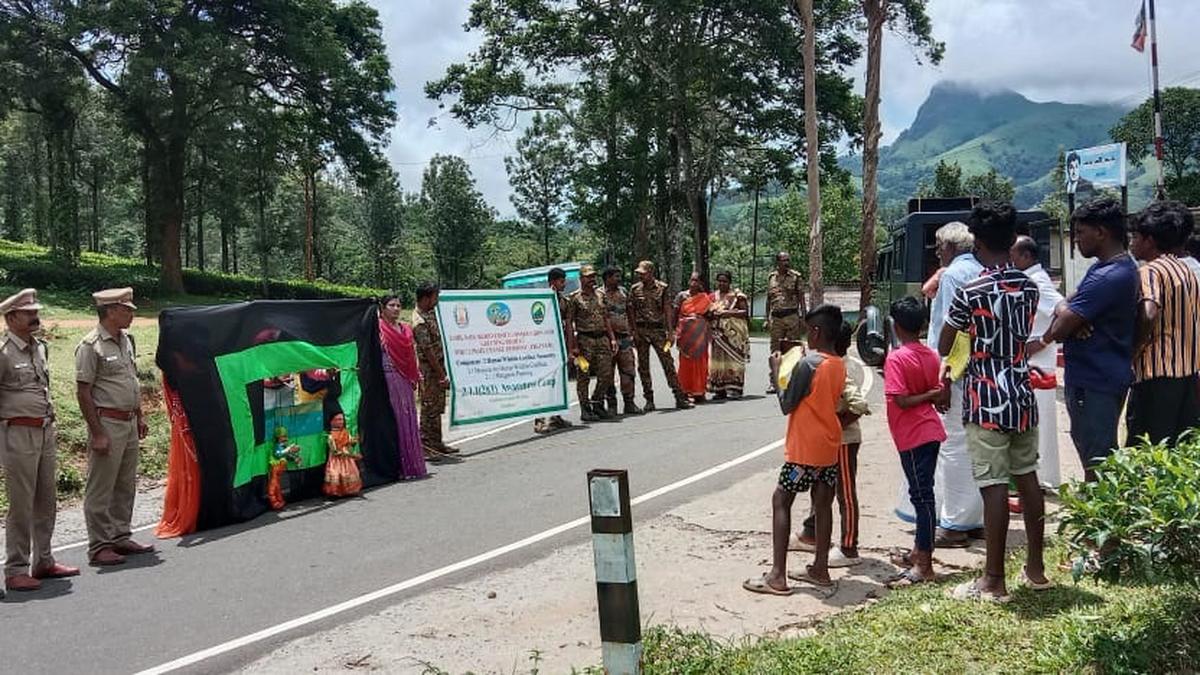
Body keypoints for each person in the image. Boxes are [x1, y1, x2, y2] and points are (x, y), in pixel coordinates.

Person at [939, 201, 1049, 602]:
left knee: (992, 486)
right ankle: (1035, 568)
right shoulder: (1030, 287)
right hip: (1021, 388)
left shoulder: (971, 290)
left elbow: (946, 341)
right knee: (1028, 477)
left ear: (978, 241)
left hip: (985, 393)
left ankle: (993, 579)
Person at [742, 304, 845, 595]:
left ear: (816, 331)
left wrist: (776, 373)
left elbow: (787, 403)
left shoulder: (809, 364)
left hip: (804, 447)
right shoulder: (838, 363)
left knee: (781, 500)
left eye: (808, 330)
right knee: (823, 504)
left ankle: (777, 575)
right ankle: (820, 568)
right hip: (828, 444)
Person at [1034, 198, 1138, 482]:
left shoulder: (1109, 276)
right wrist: (1071, 314)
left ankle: (1103, 520)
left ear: (1101, 232)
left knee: (1098, 460)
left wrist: (1070, 319)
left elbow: (1058, 329)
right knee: (1095, 452)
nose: (1076, 240)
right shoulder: (1105, 269)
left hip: (1096, 380)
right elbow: (1067, 306)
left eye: (1081, 233)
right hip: (1097, 376)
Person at [0, 289, 79, 592]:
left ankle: (43, 559)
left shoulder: (39, 347)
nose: (35, 317)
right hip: (17, 433)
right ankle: (16, 568)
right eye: (29, 313)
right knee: (21, 503)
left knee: (46, 498)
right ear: (11, 318)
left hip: (44, 431)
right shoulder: (4, 352)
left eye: (36, 312)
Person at [76, 287, 155, 567]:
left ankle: (120, 535)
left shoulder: (126, 340)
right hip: (107, 421)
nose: (131, 314)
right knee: (101, 486)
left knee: (125, 483)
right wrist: (97, 432)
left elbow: (130, 381)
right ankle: (99, 545)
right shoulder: (91, 345)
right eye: (126, 310)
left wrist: (140, 415)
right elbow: (83, 391)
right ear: (110, 311)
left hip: (128, 420)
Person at [921, 221, 984, 547]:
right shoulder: (981, 269)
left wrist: (943, 377)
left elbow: (951, 333)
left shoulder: (952, 277)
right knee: (976, 444)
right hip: (980, 372)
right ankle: (974, 518)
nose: (936, 251)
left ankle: (956, 523)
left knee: (954, 444)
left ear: (949, 246)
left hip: (956, 373)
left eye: (938, 245)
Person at [792, 321, 870, 568]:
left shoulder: (840, 368)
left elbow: (859, 405)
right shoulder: (828, 364)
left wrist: (835, 423)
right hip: (826, 440)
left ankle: (849, 547)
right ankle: (812, 532)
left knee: (844, 493)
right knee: (820, 489)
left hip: (844, 440)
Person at [884, 296, 947, 587]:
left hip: (913, 434)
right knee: (923, 494)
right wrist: (932, 395)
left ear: (896, 326)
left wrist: (930, 396)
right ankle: (918, 551)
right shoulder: (930, 354)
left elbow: (902, 399)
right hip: (928, 430)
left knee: (922, 498)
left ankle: (925, 565)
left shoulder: (897, 358)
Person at [1126, 201, 1200, 446]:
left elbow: (1148, 312)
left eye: (1135, 237)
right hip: (1188, 373)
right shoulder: (1186, 269)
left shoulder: (1150, 271)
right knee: (1177, 451)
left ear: (1150, 241)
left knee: (1146, 453)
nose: (1131, 243)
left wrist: (1134, 349)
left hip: (1156, 373)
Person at [1011, 235, 1065, 491]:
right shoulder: (1031, 279)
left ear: (1026, 256)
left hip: (1037, 364)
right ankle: (1043, 477)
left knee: (1037, 424)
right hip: (1035, 363)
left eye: (1013, 253)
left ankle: (1039, 479)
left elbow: (1062, 311)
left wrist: (1042, 340)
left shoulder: (1036, 282)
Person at [629, 261, 691, 410]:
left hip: (658, 331)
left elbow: (667, 309)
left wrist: (670, 332)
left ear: (651, 272)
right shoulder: (635, 289)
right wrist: (634, 331)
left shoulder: (662, 288)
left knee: (667, 363)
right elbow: (631, 310)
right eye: (639, 273)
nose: (641, 276)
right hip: (641, 330)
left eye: (643, 273)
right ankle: (649, 399)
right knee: (643, 366)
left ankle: (679, 396)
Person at [379, 295, 427, 479]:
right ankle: (397, 467)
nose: (396, 308)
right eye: (392, 305)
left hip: (405, 378)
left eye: (399, 305)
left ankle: (412, 464)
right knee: (395, 421)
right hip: (387, 378)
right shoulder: (378, 329)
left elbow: (410, 355)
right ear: (382, 308)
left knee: (409, 418)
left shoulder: (405, 329)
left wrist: (416, 373)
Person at [413, 282, 461, 463]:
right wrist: (441, 374)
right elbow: (428, 352)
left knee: (438, 406)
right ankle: (426, 446)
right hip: (430, 371)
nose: (437, 300)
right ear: (426, 298)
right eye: (435, 296)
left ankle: (437, 443)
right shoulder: (419, 321)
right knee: (429, 409)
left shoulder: (431, 314)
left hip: (438, 367)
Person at [566, 265, 617, 422]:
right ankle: (585, 409)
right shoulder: (574, 298)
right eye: (588, 277)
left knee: (606, 374)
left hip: (602, 338)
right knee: (584, 376)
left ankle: (597, 402)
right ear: (581, 279)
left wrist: (612, 338)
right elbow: (569, 323)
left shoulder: (601, 295)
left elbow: (606, 317)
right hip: (584, 340)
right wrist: (572, 346)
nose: (591, 280)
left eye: (593, 276)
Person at [595, 267, 643, 416]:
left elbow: (630, 311)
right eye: (616, 277)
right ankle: (611, 405)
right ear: (607, 278)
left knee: (628, 371)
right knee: (608, 374)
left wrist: (633, 331)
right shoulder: (598, 294)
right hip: (607, 339)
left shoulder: (623, 292)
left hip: (624, 337)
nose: (618, 279)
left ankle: (629, 402)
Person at [535, 268, 576, 433]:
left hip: (559, 348)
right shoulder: (542, 300)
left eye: (564, 280)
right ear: (552, 282)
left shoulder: (564, 302)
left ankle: (555, 417)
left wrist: (571, 348)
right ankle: (538, 420)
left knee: (559, 383)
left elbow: (568, 326)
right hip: (544, 349)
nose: (564, 284)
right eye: (561, 281)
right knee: (544, 384)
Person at [765, 252, 807, 393]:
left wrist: (803, 317)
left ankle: (795, 381)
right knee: (775, 350)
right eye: (783, 260)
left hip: (791, 316)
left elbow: (801, 298)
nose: (786, 263)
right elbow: (768, 299)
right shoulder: (771, 277)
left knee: (793, 349)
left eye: (788, 260)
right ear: (777, 262)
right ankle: (774, 381)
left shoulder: (796, 277)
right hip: (776, 318)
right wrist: (767, 318)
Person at [708, 271, 750, 399]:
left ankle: (735, 388)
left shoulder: (737, 296)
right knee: (718, 361)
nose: (722, 283)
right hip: (718, 334)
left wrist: (727, 313)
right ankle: (720, 389)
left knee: (733, 361)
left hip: (734, 336)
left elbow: (744, 312)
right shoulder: (712, 296)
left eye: (724, 281)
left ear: (729, 282)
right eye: (719, 281)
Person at [675, 272, 713, 404]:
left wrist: (697, 319)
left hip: (700, 335)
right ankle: (685, 391)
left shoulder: (705, 298)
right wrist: (673, 333)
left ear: (701, 283)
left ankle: (699, 391)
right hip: (685, 336)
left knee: (701, 363)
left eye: (696, 281)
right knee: (685, 363)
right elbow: (675, 314)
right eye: (692, 280)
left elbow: (709, 316)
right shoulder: (681, 296)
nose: (693, 283)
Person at [323, 412, 362, 497]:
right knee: (336, 473)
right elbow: (335, 452)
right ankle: (335, 492)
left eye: (342, 419)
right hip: (336, 460)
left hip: (347, 458)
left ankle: (349, 490)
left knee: (350, 473)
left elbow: (349, 443)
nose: (341, 422)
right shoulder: (330, 436)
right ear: (331, 422)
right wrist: (352, 456)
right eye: (338, 420)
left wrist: (354, 441)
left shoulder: (345, 432)